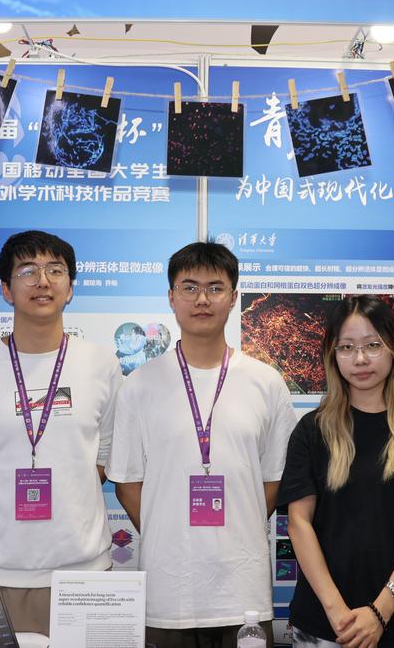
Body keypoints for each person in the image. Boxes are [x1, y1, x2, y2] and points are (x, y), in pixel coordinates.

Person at [107, 241, 297, 647]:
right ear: (171, 297)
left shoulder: (266, 383)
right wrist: (168, 531)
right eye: (189, 287)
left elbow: (274, 479)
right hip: (168, 592)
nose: (202, 299)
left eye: (215, 288)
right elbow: (127, 484)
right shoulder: (139, 386)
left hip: (243, 593)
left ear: (233, 297)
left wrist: (233, 528)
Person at [0, 230, 122, 635]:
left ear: (70, 288)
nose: (42, 281)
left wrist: (69, 499)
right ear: (6, 289)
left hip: (86, 572)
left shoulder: (101, 365)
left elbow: (106, 455)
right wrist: (2, 509)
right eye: (27, 271)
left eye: (55, 270)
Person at [277, 296, 394, 648]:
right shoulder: (311, 431)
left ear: (393, 349)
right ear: (333, 355)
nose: (360, 359)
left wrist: (380, 611)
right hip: (325, 623)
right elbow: (299, 524)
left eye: (372, 345)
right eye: (347, 347)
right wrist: (337, 613)